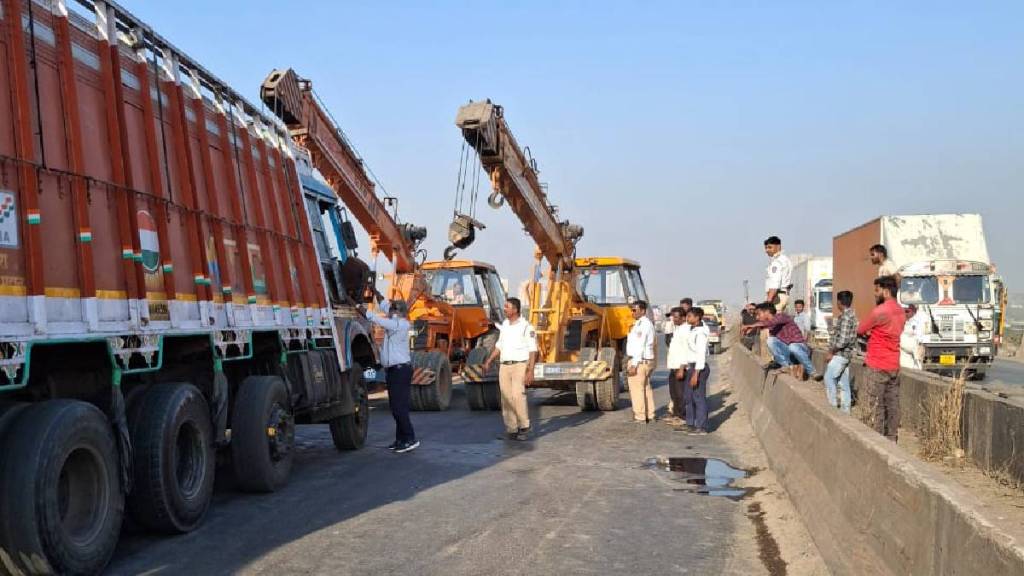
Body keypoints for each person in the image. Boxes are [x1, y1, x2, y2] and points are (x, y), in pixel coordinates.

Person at [857, 275, 906, 442]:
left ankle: (876, 439)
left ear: (885, 291)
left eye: (877, 290)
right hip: (894, 364)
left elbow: (861, 329)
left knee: (875, 403)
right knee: (892, 403)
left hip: (877, 364)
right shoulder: (900, 311)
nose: (875, 294)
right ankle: (892, 437)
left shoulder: (880, 311)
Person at [366, 298, 418, 453]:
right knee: (396, 407)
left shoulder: (400, 324)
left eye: (392, 310)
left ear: (398, 312)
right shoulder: (396, 320)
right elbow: (384, 305)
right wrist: (375, 292)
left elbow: (378, 319)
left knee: (399, 408)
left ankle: (410, 439)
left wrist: (361, 309)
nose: (390, 312)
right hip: (394, 370)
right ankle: (400, 439)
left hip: (400, 370)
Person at [482, 297, 538, 441]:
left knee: (518, 395)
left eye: (507, 307)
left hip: (520, 365)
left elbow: (533, 350)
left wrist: (530, 370)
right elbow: (499, 346)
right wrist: (488, 361)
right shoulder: (505, 325)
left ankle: (524, 427)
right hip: (504, 366)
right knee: (506, 397)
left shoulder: (527, 327)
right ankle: (511, 429)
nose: (505, 309)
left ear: (515, 310)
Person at [742, 302, 820, 380]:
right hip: (789, 351)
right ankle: (785, 366)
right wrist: (750, 329)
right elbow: (765, 325)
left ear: (767, 312)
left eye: (759, 314)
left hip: (800, 348)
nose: (757, 317)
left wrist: (750, 326)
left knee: (793, 346)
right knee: (771, 340)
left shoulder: (782, 316)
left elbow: (771, 322)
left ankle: (812, 372)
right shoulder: (771, 326)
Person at [823, 290, 857, 413]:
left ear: (839, 302)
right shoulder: (849, 315)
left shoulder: (846, 317)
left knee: (828, 378)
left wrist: (831, 352)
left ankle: (832, 408)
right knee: (843, 384)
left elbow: (843, 341)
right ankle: (845, 411)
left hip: (841, 354)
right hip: (845, 355)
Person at [679, 307, 711, 435]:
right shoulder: (692, 330)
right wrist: (683, 367)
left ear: (697, 318)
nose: (688, 318)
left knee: (698, 398)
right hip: (691, 366)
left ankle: (701, 427)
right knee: (688, 397)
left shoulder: (701, 333)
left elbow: (701, 355)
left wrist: (696, 374)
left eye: (690, 316)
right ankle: (690, 423)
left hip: (699, 368)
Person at [625, 300, 656, 423]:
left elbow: (640, 346)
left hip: (639, 361)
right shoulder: (639, 323)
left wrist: (634, 364)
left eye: (634, 310)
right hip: (644, 360)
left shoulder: (643, 325)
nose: (632, 312)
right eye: (631, 310)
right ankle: (650, 414)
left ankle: (640, 416)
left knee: (637, 390)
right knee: (645, 388)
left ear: (642, 311)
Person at [664, 307, 690, 424]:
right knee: (674, 393)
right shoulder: (678, 329)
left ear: (683, 318)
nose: (673, 319)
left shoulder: (686, 330)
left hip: (680, 367)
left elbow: (686, 351)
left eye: (676, 317)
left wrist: (682, 368)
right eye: (672, 317)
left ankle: (682, 417)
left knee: (681, 394)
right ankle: (676, 415)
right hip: (674, 367)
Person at [763, 237, 793, 312]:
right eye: (766, 248)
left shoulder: (777, 262)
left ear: (778, 246)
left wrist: (768, 301)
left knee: (772, 320)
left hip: (776, 297)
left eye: (770, 247)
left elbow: (775, 283)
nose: (767, 250)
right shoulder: (785, 259)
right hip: (781, 295)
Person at [899, 304, 926, 370]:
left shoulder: (919, 320)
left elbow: (920, 336)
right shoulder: (901, 321)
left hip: (915, 349)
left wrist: (920, 347)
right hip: (904, 353)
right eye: (905, 311)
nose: (906, 313)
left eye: (908, 311)